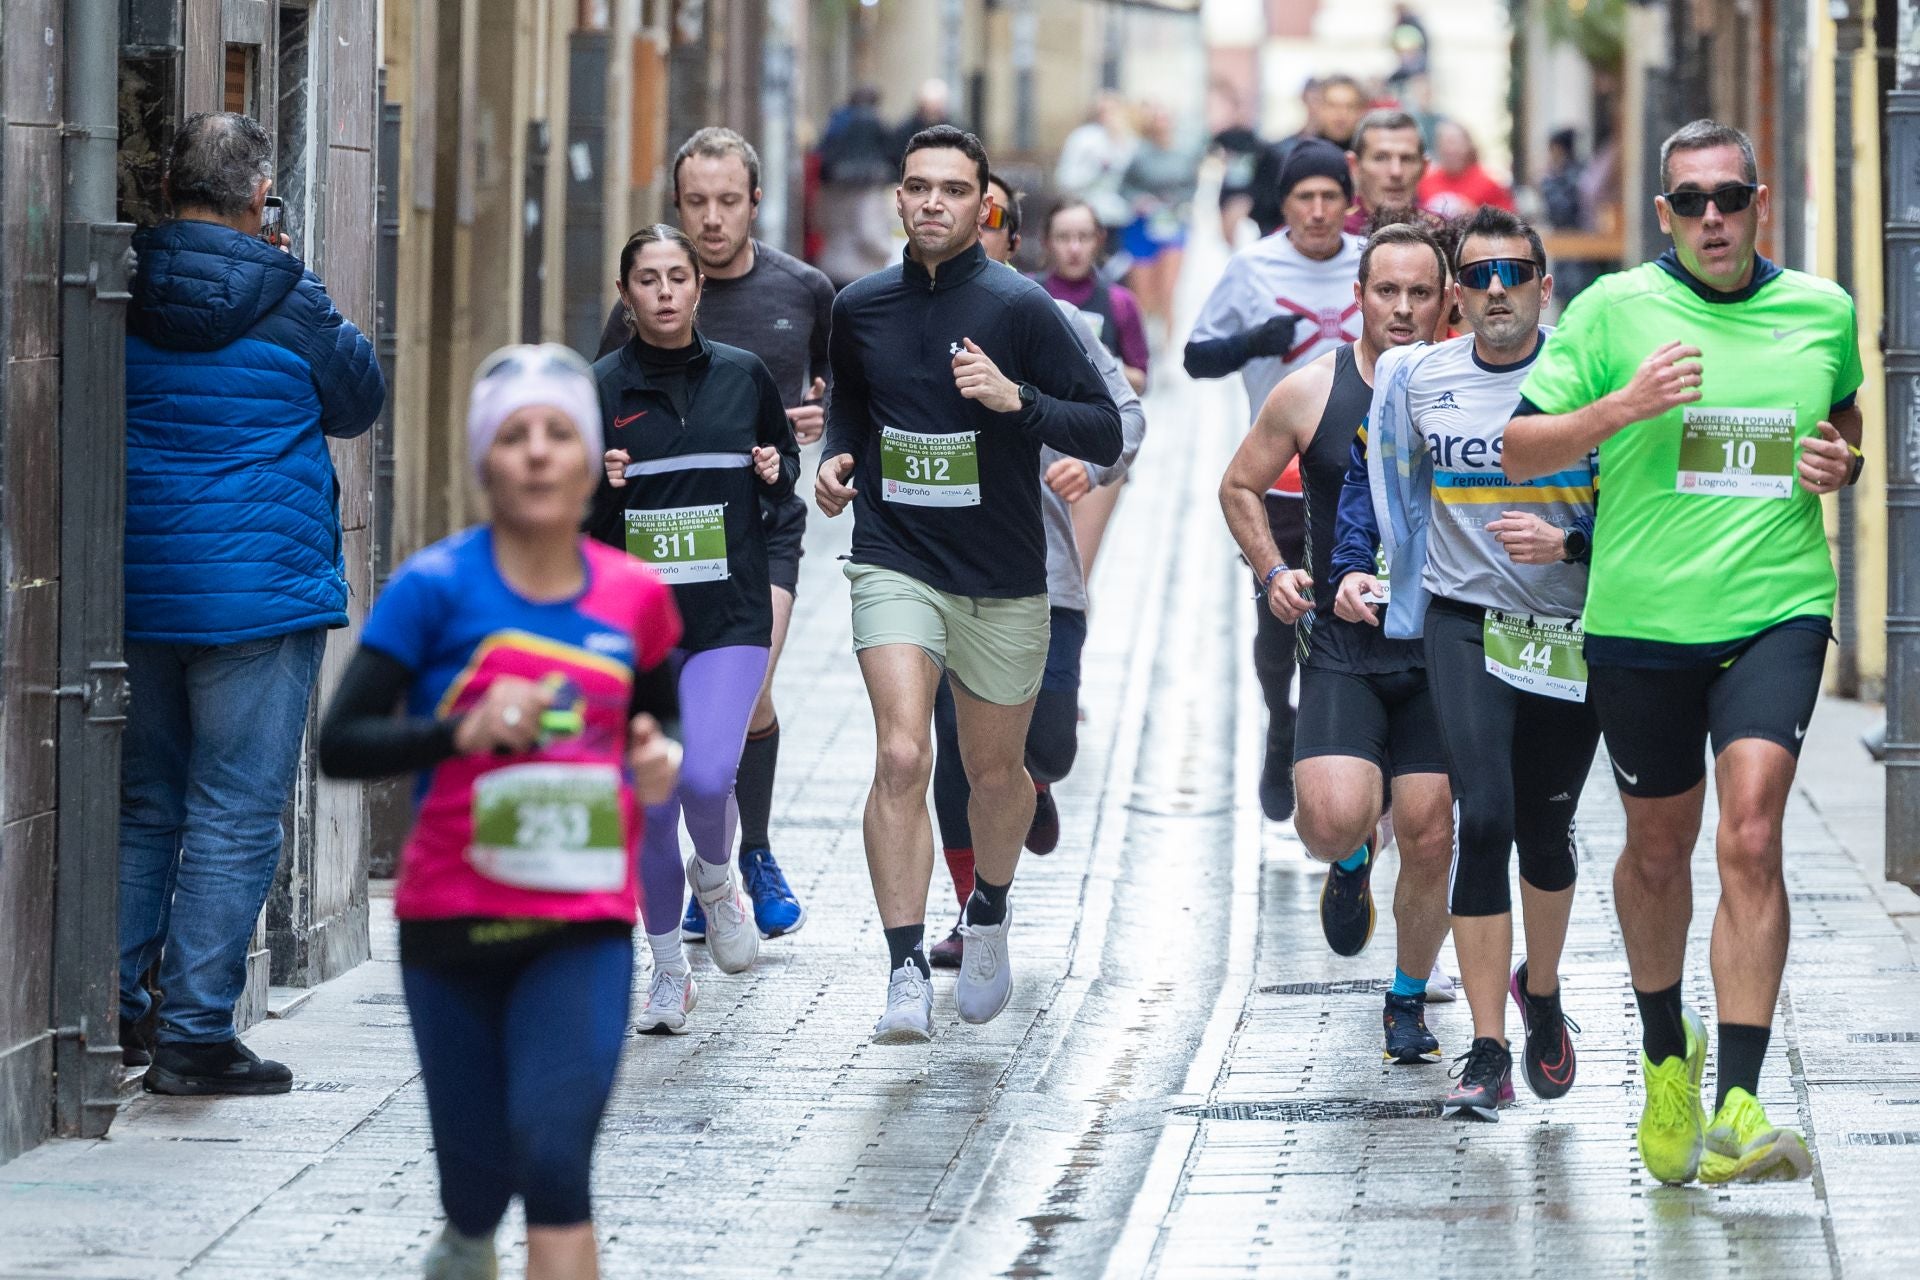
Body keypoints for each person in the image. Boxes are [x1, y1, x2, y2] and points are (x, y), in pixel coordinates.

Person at [1505, 119, 1864, 1184]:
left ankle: (1740, 1102)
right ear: (1664, 214)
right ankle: (1669, 1048)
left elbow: (1840, 409)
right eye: (1693, 201)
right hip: (1643, 620)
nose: (1715, 217)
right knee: (1658, 852)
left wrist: (1839, 459)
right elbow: (1522, 445)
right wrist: (1623, 406)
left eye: (1732, 197)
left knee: (1750, 833)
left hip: (1776, 605)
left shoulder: (1823, 309)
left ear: (1762, 205)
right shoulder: (1614, 310)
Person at [317, 344, 681, 1280]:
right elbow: (342, 742)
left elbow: (659, 726)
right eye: (514, 436)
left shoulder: (635, 599)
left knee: (557, 1162)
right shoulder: (434, 590)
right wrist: (459, 731)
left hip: (581, 925)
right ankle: (467, 1240)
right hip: (452, 922)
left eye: (558, 434)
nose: (535, 453)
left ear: (590, 460)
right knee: (477, 1190)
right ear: (486, 461)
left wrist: (655, 763)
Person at [816, 125, 1122, 1044]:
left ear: (983, 205)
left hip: (1001, 574)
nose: (934, 204)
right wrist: (836, 461)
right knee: (905, 756)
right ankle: (904, 963)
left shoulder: (1023, 309)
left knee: (996, 776)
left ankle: (987, 907)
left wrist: (1014, 401)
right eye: (919, 188)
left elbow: (1104, 430)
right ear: (898, 201)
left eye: (954, 190)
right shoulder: (859, 306)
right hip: (895, 557)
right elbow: (852, 404)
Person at [118, 111, 385, 1093]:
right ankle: (192, 1033)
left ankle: (117, 1013)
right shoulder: (288, 293)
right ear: (258, 197)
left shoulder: (125, 279)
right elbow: (358, 401)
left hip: (139, 585)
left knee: (146, 806)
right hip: (260, 598)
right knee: (233, 813)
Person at [1351, 207, 1598, 1119]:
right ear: (1458, 292)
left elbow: (1644, 503)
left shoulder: (1586, 372)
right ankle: (1488, 1046)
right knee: (1483, 814)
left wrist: (1570, 545)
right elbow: (1391, 488)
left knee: (1547, 825)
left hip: (1572, 629)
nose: (1498, 288)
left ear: (1544, 284)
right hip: (1465, 624)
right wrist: (1387, 586)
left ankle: (1545, 990)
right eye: (1481, 273)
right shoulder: (1419, 376)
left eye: (1517, 272)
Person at [1218, 222, 1454, 1067]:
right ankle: (1352, 853)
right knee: (1325, 818)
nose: (1401, 307)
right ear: (1357, 298)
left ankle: (1406, 997)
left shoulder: (1471, 391)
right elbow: (1238, 485)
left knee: (1429, 829)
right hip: (1345, 648)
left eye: (1419, 293)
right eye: (1385, 292)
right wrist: (1275, 572)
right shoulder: (1308, 391)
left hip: (1438, 653)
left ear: (1445, 299)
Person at [596, 128, 833, 943]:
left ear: (755, 202)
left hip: (760, 524)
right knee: (701, 719)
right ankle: (717, 863)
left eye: (728, 201)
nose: (712, 216)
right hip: (666, 538)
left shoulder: (804, 290)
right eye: (695, 202)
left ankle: (748, 853)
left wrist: (817, 427)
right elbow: (605, 417)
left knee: (750, 686)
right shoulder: (636, 309)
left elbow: (842, 393)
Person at [927, 173, 1149, 966]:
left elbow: (1126, 419)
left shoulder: (1057, 321)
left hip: (1041, 572)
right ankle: (973, 911)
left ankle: (1038, 783)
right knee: (951, 746)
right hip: (936, 575)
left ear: (1010, 239)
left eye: (984, 213)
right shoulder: (894, 317)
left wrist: (1089, 470)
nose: (961, 221)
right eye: (943, 201)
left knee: (1042, 748)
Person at [588, 223, 800, 1031]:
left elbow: (781, 496)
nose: (667, 291)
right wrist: (602, 489)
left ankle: (717, 877)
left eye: (679, 277)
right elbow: (569, 525)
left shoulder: (745, 378)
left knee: (706, 778)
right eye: (650, 279)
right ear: (626, 293)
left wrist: (777, 476)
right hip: (636, 630)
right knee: (651, 798)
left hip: (728, 619)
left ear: (699, 289)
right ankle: (668, 970)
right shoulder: (599, 389)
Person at [1186, 138, 1363, 825]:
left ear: (1349, 204)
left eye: (1330, 197)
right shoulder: (1253, 266)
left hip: (1362, 472)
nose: (1318, 212)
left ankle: (1333, 752)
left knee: (1346, 620)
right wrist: (1255, 341)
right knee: (1276, 624)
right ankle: (1280, 720)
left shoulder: (1371, 263)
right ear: (1283, 204)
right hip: (1280, 476)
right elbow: (1198, 357)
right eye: (1303, 198)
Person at [1038, 198, 1150, 581]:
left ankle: (1073, 637)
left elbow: (1140, 378)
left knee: (1074, 575)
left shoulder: (1119, 303)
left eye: (1083, 237)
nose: (1074, 248)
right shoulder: (1028, 296)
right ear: (1046, 242)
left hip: (1094, 447)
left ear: (1099, 241)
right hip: (1036, 445)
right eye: (1064, 237)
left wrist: (1098, 368)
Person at [1118, 102, 1197, 346]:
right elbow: (1124, 187)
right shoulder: (1139, 153)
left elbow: (1191, 187)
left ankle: (1168, 349)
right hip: (1142, 226)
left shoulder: (1185, 153)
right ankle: (1143, 344)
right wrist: (1139, 200)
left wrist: (1178, 202)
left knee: (1168, 290)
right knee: (1142, 293)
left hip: (1172, 224)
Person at [1250, 74, 1368, 235]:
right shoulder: (1282, 155)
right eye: (1332, 105)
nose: (1341, 115)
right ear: (1317, 106)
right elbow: (1265, 216)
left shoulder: (1371, 161)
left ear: (1362, 111)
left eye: (1350, 106)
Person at [816, 90, 901, 290]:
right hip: (862, 271)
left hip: (830, 265)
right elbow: (870, 233)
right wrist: (892, 253)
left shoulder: (830, 181)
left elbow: (819, 219)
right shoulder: (870, 186)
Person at [1054, 94, 1139, 266]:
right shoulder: (1083, 138)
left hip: (1119, 217)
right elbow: (1065, 178)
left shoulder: (1128, 140)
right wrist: (1096, 170)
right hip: (1087, 212)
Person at [1343, 109, 1443, 236]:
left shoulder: (1439, 233)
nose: (1396, 172)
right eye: (1381, 158)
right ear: (1354, 166)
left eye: (1407, 159)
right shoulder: (1334, 234)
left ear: (1424, 167)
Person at [1419, 121, 1517, 219]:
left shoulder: (1491, 183)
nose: (1450, 150)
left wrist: (1475, 214)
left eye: (1455, 142)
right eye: (1444, 143)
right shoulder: (1424, 183)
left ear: (1469, 146)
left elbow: (1510, 224)